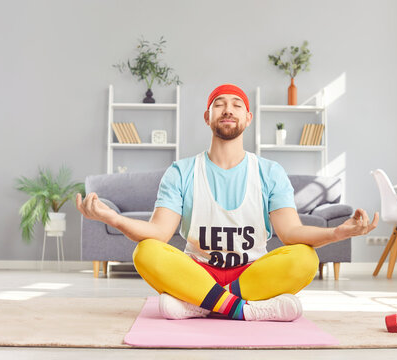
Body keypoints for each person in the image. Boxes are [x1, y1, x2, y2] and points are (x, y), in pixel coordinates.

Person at [76, 84, 379, 322]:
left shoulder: (269, 172)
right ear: (207, 117)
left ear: (248, 118)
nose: (227, 110)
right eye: (219, 104)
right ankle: (244, 310)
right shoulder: (181, 172)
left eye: (236, 105)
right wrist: (112, 219)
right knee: (146, 251)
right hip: (198, 271)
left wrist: (339, 232)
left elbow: (291, 234)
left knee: (305, 259)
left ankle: (201, 304)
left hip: (251, 274)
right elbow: (158, 233)